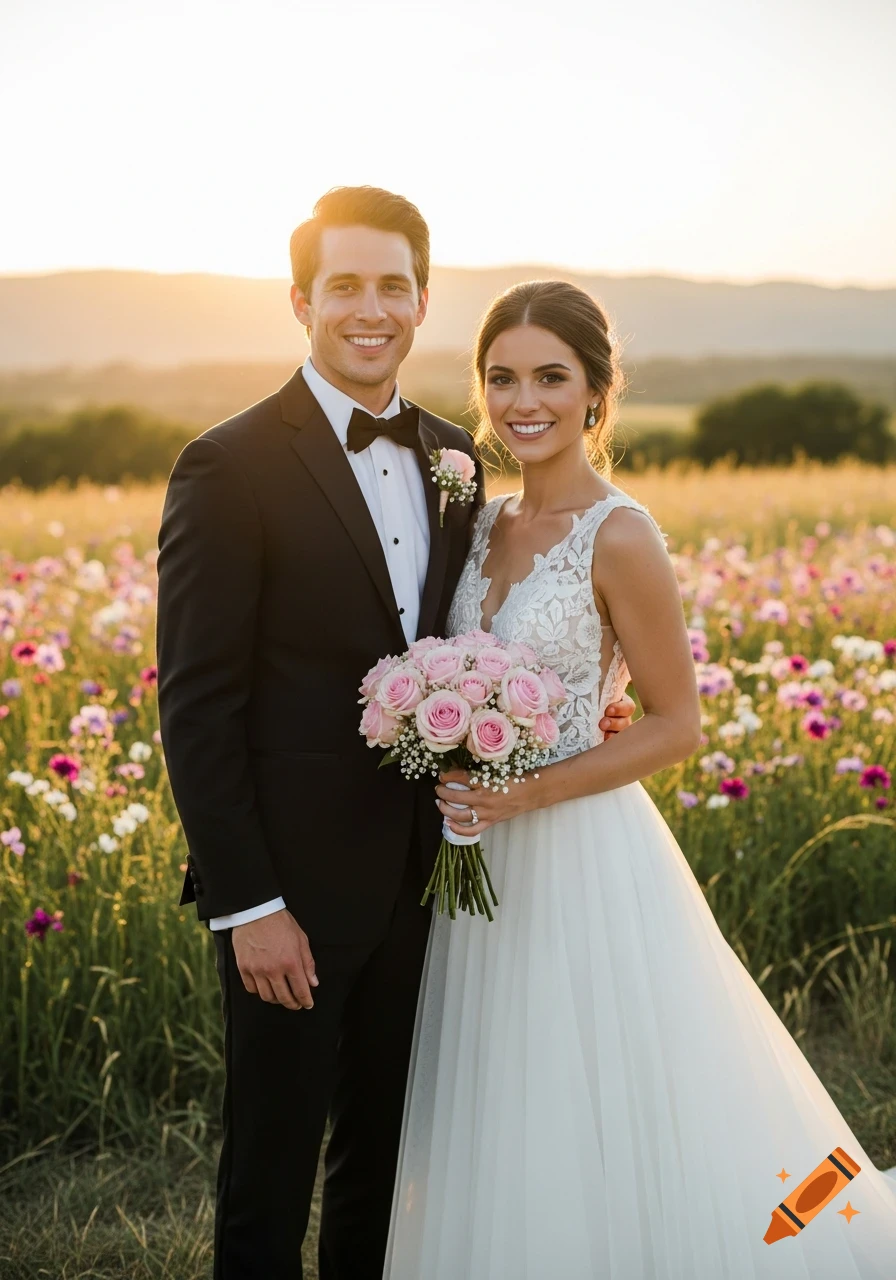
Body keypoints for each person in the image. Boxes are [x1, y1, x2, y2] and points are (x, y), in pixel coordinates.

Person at [155, 190, 636, 1280]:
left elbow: (468, 630)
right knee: (269, 1173)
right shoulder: (227, 465)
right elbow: (195, 703)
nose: (368, 310)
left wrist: (560, 711)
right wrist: (249, 903)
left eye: (391, 287)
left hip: (434, 883)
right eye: (344, 287)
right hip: (289, 895)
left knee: (386, 1165)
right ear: (299, 301)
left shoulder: (453, 454)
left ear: (421, 300)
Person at [384, 279, 896, 1279]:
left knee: (598, 1083)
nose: (520, 400)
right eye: (499, 377)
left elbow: (676, 723)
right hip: (472, 860)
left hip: (577, 850)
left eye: (547, 376)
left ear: (595, 392)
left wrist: (526, 790)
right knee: (499, 1089)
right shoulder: (475, 523)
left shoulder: (618, 533)